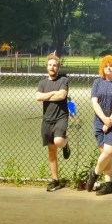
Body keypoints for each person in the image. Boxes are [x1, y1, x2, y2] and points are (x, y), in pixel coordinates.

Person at [85, 55, 112, 195]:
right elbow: (94, 102)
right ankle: (108, 183)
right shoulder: (97, 82)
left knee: (109, 151)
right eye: (106, 66)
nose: (108, 68)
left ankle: (94, 173)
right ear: (102, 69)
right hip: (99, 121)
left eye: (111, 66)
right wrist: (104, 119)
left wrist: (110, 121)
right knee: (106, 154)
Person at [36, 53, 71, 191]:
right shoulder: (42, 83)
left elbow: (62, 95)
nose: (52, 67)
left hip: (61, 117)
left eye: (55, 65)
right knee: (51, 150)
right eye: (50, 65)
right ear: (47, 67)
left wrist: (46, 96)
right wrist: (52, 94)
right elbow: (38, 97)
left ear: (58, 67)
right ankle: (55, 180)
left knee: (58, 141)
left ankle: (65, 144)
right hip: (47, 120)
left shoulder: (64, 80)